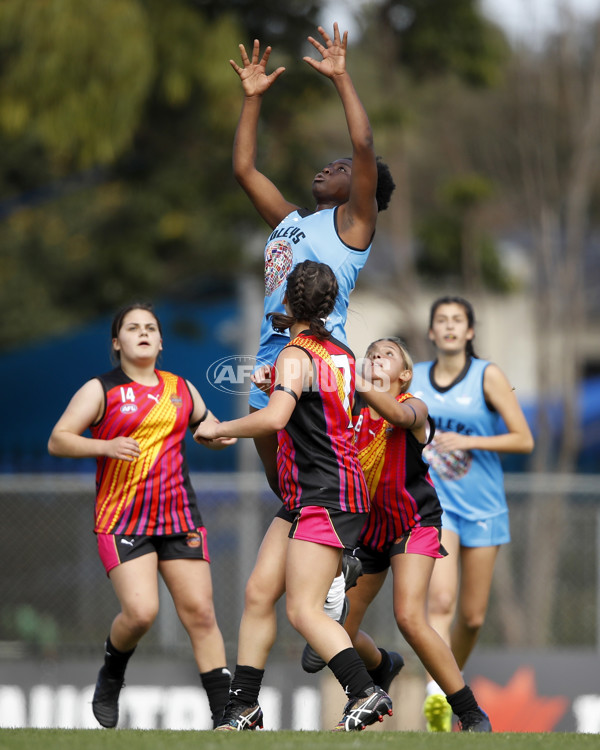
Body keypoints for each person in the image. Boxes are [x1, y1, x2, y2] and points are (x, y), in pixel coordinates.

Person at [194, 261, 393, 732]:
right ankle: (243, 706)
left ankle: (365, 691)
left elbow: (274, 419)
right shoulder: (339, 351)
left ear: (285, 301)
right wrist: (283, 385)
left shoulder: (294, 354)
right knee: (259, 593)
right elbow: (321, 402)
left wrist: (221, 429)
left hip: (328, 493)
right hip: (316, 493)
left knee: (302, 609)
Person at [47, 303, 236, 729]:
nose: (143, 333)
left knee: (201, 614)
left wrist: (226, 434)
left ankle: (225, 719)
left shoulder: (182, 388)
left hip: (180, 517)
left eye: (150, 327)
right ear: (117, 342)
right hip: (123, 519)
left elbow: (210, 427)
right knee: (140, 613)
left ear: (161, 341)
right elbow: (58, 440)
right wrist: (104, 446)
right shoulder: (102, 389)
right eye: (132, 328)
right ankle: (111, 674)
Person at [229, 22, 395, 497]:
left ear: (362, 188)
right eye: (330, 163)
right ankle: (323, 556)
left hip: (317, 357)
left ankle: (341, 555)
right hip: (269, 354)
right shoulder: (289, 219)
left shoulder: (353, 225)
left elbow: (363, 145)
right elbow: (244, 170)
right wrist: (253, 97)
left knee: (320, 485)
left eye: (341, 169)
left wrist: (341, 77)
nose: (329, 167)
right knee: (285, 488)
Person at [410, 296, 534, 731]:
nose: (447, 327)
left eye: (456, 321)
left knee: (472, 616)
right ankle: (436, 694)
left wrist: (470, 442)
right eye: (440, 320)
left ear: (470, 332)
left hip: (483, 507)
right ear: (430, 332)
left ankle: (448, 685)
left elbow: (524, 439)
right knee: (440, 601)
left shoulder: (488, 375)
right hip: (436, 507)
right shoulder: (416, 378)